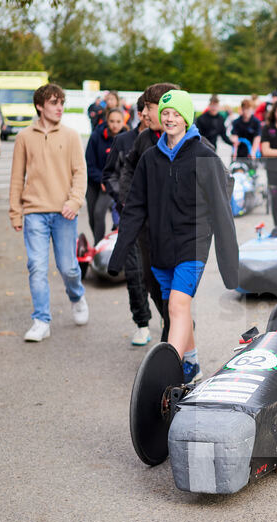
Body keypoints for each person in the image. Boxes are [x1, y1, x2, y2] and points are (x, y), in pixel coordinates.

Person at [108, 89, 239, 384]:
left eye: (175, 113)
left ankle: (169, 375)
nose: (169, 118)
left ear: (186, 117)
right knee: (174, 310)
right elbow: (136, 206)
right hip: (159, 247)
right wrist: (119, 255)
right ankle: (192, 364)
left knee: (178, 306)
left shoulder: (204, 155)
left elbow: (221, 209)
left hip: (192, 244)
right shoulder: (150, 157)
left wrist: (231, 264)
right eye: (165, 113)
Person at [9, 83, 89, 342]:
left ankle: (77, 296)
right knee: (37, 267)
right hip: (34, 212)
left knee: (68, 268)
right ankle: (41, 320)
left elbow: (80, 172)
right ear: (40, 106)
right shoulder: (24, 137)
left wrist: (74, 202)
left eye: (62, 103)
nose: (60, 108)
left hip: (65, 212)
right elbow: (16, 177)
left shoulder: (71, 135)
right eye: (54, 103)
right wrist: (15, 212)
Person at [118, 82, 179, 344]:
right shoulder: (143, 139)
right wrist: (130, 203)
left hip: (180, 233)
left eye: (149, 108)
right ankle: (173, 325)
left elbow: (221, 182)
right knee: (152, 284)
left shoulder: (193, 142)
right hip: (147, 231)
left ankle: (176, 345)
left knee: (177, 295)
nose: (143, 113)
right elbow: (127, 172)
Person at [103, 94, 152, 346]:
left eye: (149, 111)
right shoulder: (123, 140)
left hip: (158, 222)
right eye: (142, 112)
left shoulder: (166, 141)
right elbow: (109, 174)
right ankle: (142, 323)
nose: (145, 116)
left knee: (158, 274)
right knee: (134, 273)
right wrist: (121, 199)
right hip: (131, 220)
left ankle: (171, 317)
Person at [85, 107, 127, 244]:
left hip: (112, 183)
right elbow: (89, 164)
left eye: (118, 121)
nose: (115, 124)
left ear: (123, 122)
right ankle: (99, 240)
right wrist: (100, 179)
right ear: (107, 121)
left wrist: (109, 181)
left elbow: (126, 167)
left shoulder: (127, 139)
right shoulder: (96, 136)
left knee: (99, 212)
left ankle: (98, 245)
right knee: (92, 216)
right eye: (112, 121)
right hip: (94, 181)